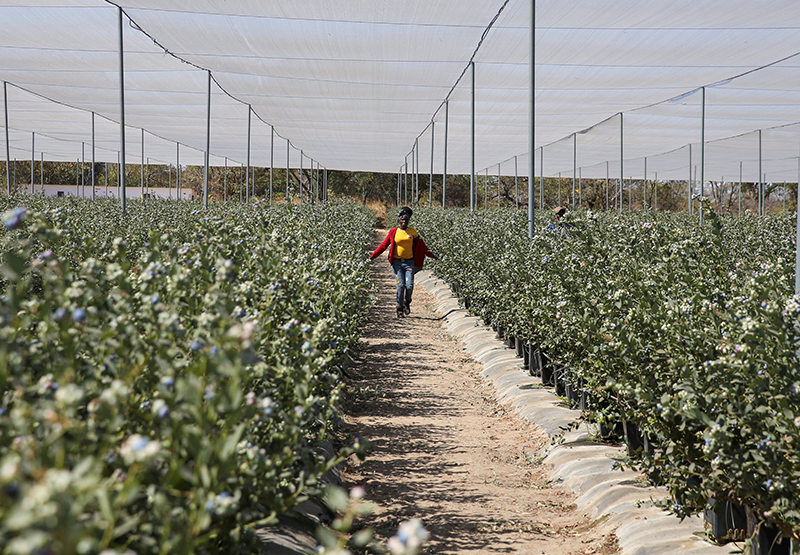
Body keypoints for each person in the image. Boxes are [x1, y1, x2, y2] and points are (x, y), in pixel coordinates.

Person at [370, 206, 438, 318]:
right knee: (400, 285)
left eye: (406, 220)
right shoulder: (393, 232)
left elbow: (422, 247)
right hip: (397, 263)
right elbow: (383, 246)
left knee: (409, 285)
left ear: (408, 221)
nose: (404, 222)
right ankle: (399, 308)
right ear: (399, 220)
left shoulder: (412, 232)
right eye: (402, 220)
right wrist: (372, 256)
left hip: (409, 263)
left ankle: (407, 302)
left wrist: (434, 256)